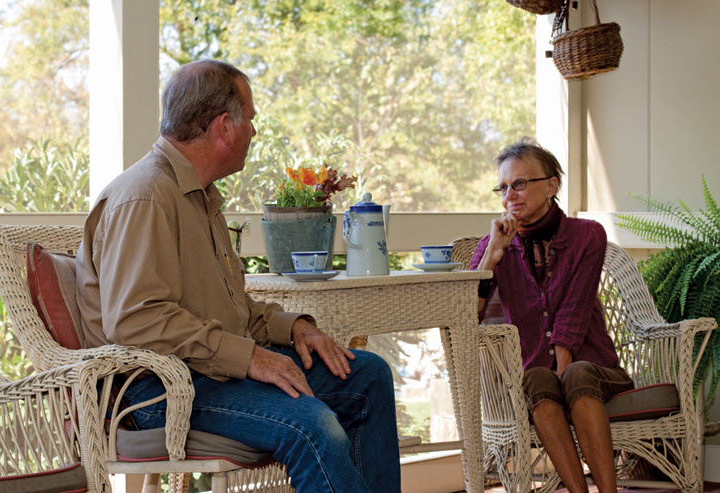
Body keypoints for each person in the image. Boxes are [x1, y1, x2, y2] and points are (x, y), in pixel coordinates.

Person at [75, 59, 400, 493]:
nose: (254, 131)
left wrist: (295, 328)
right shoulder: (145, 197)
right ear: (224, 127)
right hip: (159, 392)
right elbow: (135, 320)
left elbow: (232, 310)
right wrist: (250, 358)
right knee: (311, 423)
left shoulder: (200, 197)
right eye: (250, 119)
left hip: (208, 373)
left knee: (368, 376)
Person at [470, 138, 633, 493]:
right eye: (503, 187)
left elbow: (575, 308)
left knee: (575, 373)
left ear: (551, 186)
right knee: (536, 379)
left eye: (520, 183)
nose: (509, 195)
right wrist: (492, 255)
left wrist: (562, 372)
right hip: (538, 374)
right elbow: (467, 313)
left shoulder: (588, 235)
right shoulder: (493, 245)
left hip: (597, 370)